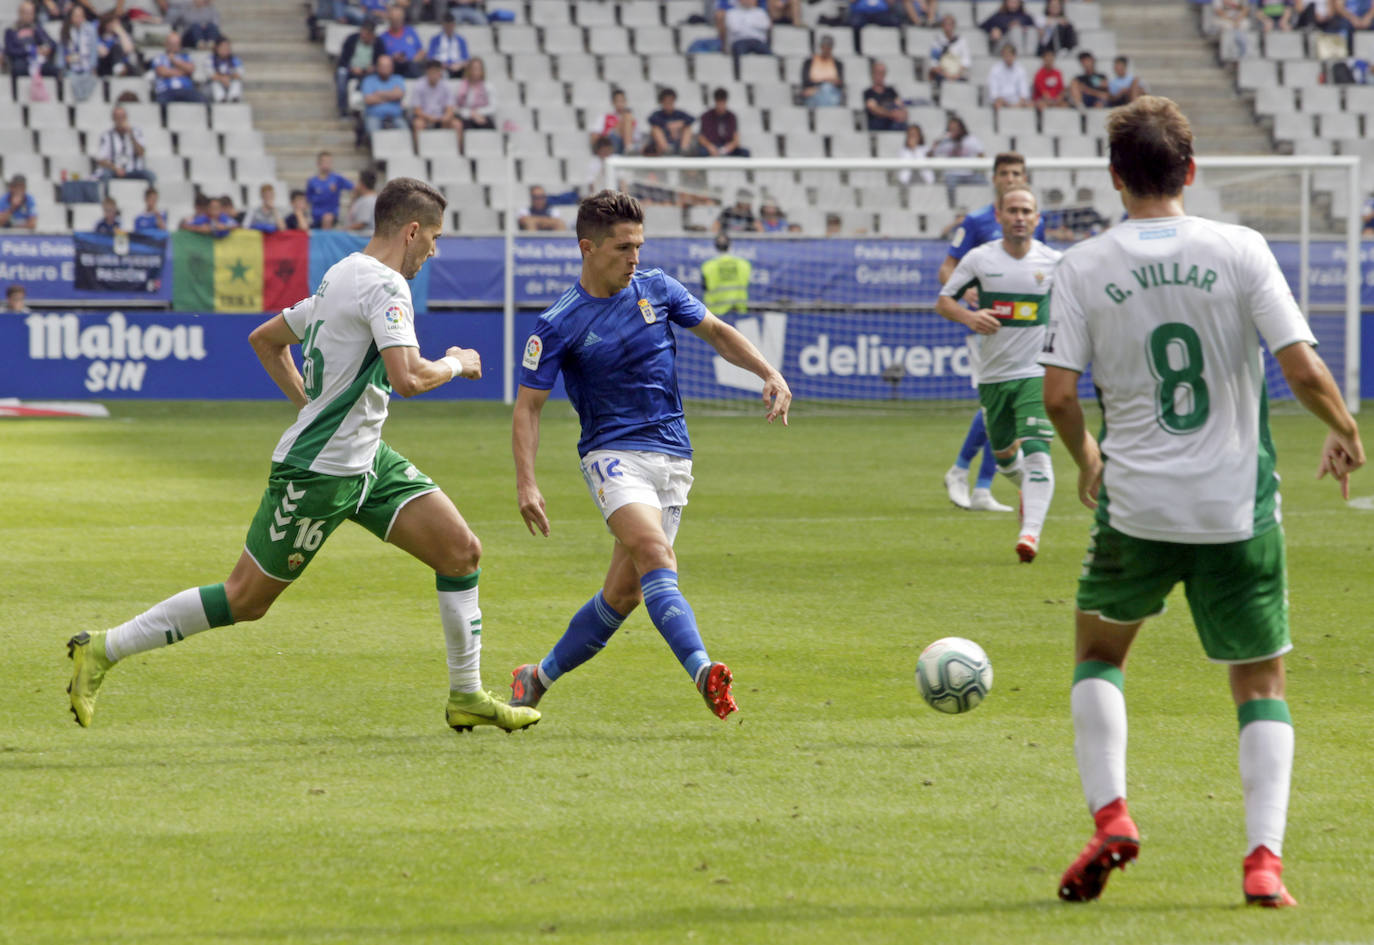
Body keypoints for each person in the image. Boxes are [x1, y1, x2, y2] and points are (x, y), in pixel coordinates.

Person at [66, 177, 541, 735]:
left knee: (461, 552)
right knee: (245, 598)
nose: (433, 249)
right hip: (319, 473)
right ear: (412, 231)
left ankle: (466, 696)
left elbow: (266, 338)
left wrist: (313, 406)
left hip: (365, 461)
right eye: (433, 237)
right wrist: (458, 362)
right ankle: (100, 649)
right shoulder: (386, 286)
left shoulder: (342, 273)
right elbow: (408, 378)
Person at [1040, 95, 1363, 909]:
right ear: (1190, 170)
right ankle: (1263, 863)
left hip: (1136, 505)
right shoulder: (1241, 248)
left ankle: (1112, 813)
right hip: (1236, 509)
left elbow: (1057, 395)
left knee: (1100, 654)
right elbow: (1303, 371)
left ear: (1115, 178)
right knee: (1261, 684)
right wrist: (1344, 427)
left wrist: (1086, 454)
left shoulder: (1081, 265)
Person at [506, 190, 792, 721]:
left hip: (674, 456)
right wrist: (527, 482)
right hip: (612, 455)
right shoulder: (558, 323)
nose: (634, 257)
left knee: (624, 595)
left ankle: (536, 677)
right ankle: (705, 671)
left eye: (638, 245)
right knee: (658, 557)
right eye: (622, 247)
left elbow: (716, 331)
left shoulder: (657, 288)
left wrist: (768, 372)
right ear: (588, 248)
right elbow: (528, 409)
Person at [935, 186, 1059, 561]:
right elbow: (944, 301)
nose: (1020, 217)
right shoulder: (979, 259)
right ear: (1000, 217)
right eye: (1013, 211)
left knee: (1037, 449)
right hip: (992, 377)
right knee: (1006, 458)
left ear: (1037, 219)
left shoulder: (1055, 262)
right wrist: (970, 317)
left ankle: (1030, 535)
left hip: (1036, 372)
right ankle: (1028, 492)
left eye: (1027, 211)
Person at [94, 104, 156, 184]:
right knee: (104, 175)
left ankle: (150, 196)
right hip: (114, 170)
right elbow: (100, 159)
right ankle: (106, 196)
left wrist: (131, 135)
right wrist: (115, 168)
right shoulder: (106, 136)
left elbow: (141, 153)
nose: (120, 120)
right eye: (117, 117)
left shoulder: (136, 132)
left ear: (126, 118)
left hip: (134, 170)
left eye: (122, 117)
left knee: (150, 175)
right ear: (113, 119)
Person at [335, 18, 384, 118]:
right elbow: (342, 59)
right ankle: (343, 108)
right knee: (341, 74)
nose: (363, 36)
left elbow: (381, 60)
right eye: (362, 33)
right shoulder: (352, 39)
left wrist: (374, 68)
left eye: (366, 34)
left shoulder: (379, 43)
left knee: (370, 80)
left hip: (368, 72)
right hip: (350, 70)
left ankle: (359, 109)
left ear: (372, 34)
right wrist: (351, 68)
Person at [410, 58, 460, 148]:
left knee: (457, 124)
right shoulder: (419, 85)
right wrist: (429, 118)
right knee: (418, 124)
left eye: (436, 72)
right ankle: (419, 152)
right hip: (424, 117)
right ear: (427, 72)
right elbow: (417, 110)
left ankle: (459, 152)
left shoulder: (446, 86)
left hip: (442, 118)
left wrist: (445, 117)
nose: (434, 75)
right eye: (431, 72)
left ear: (440, 72)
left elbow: (450, 108)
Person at [4, 1, 59, 80]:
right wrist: (30, 50)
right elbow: (10, 50)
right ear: (20, 13)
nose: (29, 16)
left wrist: (46, 48)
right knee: (16, 68)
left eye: (31, 13)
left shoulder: (37, 28)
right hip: (22, 61)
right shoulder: (11, 30)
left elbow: (52, 44)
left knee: (55, 69)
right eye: (26, 13)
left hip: (38, 61)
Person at [700, 231, 751, 314]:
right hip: (738, 310)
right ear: (730, 245)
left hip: (716, 313)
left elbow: (704, 287)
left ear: (715, 246)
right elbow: (746, 282)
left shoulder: (707, 266)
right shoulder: (744, 264)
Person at [59, 3, 100, 100]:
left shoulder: (90, 30)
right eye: (76, 16)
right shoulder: (66, 30)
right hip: (71, 68)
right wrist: (62, 64)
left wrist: (93, 66)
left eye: (81, 16)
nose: (78, 19)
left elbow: (93, 50)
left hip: (86, 67)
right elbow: (61, 52)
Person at [151, 31, 205, 104]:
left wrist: (174, 61)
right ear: (166, 44)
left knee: (203, 101)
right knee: (161, 103)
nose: (174, 46)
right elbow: (163, 72)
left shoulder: (186, 57)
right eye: (172, 44)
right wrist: (183, 72)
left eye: (176, 44)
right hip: (166, 90)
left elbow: (191, 69)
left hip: (186, 90)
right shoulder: (159, 58)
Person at [360, 53, 406, 138]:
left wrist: (379, 94)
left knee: (405, 132)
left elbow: (399, 95)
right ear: (377, 67)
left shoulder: (398, 79)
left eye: (387, 66)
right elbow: (368, 100)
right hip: (374, 116)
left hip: (395, 116)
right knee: (373, 133)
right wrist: (391, 96)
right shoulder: (368, 80)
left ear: (392, 67)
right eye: (382, 66)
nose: (385, 69)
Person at [452, 56, 496, 142]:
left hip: (483, 117)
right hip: (466, 117)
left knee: (485, 124)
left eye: (479, 68)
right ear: (468, 70)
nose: (476, 71)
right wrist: (471, 114)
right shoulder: (460, 86)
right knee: (464, 125)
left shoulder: (488, 86)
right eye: (474, 68)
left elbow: (493, 107)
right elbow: (455, 108)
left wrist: (478, 113)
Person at [306, 151, 354, 229]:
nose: (327, 164)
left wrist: (352, 205)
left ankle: (326, 239)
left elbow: (354, 188)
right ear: (318, 163)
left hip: (331, 215)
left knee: (327, 218)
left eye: (329, 162)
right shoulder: (312, 181)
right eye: (325, 161)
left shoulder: (337, 178)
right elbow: (307, 199)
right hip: (316, 215)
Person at [697, 86, 750, 157]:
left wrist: (731, 145)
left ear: (726, 102)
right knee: (701, 152)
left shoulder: (732, 116)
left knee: (745, 152)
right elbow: (701, 137)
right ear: (715, 102)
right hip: (712, 145)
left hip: (727, 146)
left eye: (723, 102)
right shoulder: (706, 116)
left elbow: (736, 137)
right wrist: (709, 146)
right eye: (719, 102)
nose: (720, 106)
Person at [646, 87, 695, 156]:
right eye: (666, 101)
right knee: (655, 129)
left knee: (688, 128)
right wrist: (669, 125)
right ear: (662, 102)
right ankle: (667, 150)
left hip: (678, 142)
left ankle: (684, 149)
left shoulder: (679, 113)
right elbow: (651, 120)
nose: (668, 104)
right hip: (662, 145)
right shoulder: (657, 114)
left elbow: (692, 119)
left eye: (671, 101)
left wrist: (679, 124)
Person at [379, 1, 424, 78]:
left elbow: (421, 51)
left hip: (412, 66)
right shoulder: (383, 37)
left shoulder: (411, 31)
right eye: (394, 19)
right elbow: (382, 58)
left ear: (403, 18)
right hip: (393, 68)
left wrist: (413, 60)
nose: (397, 21)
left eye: (399, 18)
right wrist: (393, 58)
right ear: (389, 19)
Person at [801, 33, 844, 107]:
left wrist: (821, 84)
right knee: (826, 93)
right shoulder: (809, 62)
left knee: (827, 89)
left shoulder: (837, 64)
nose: (826, 49)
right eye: (825, 46)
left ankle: (825, 112)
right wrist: (827, 80)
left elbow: (839, 83)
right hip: (813, 93)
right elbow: (806, 81)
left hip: (832, 92)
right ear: (821, 47)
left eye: (829, 46)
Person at [863, 60, 908, 131]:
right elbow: (874, 109)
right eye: (878, 72)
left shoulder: (891, 91)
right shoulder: (868, 93)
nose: (880, 75)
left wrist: (903, 114)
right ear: (873, 74)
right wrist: (891, 114)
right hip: (878, 124)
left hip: (893, 122)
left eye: (882, 73)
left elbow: (901, 106)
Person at [987, 41, 1031, 111]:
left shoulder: (1021, 70)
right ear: (1002, 55)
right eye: (1006, 56)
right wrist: (1003, 102)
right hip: (1001, 102)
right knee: (997, 104)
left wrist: (1017, 104)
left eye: (1010, 55)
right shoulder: (995, 70)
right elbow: (993, 93)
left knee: (1028, 105)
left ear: (1014, 56)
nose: (1008, 58)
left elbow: (1024, 93)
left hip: (1017, 102)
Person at [591, 88, 637, 155]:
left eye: (622, 101)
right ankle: (628, 148)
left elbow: (636, 138)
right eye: (617, 101)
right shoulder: (605, 117)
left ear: (625, 102)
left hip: (623, 144)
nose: (620, 104)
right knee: (627, 117)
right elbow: (594, 136)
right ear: (613, 102)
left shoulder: (632, 120)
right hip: (610, 143)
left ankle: (628, 148)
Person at [928, 14, 971, 84]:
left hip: (958, 75)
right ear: (942, 26)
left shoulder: (961, 41)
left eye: (950, 24)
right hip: (942, 75)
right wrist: (946, 75)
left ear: (954, 26)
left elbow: (966, 61)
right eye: (945, 24)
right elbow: (934, 63)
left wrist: (956, 75)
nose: (947, 27)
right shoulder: (936, 42)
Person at [95, 11, 139, 77]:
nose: (116, 25)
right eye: (114, 23)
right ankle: (118, 68)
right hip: (107, 65)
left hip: (124, 66)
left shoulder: (120, 37)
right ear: (107, 24)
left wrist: (121, 32)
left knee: (132, 64)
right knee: (115, 47)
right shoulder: (99, 38)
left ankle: (120, 69)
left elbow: (128, 49)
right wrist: (112, 45)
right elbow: (103, 53)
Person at [426, 11, 467, 78]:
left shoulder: (461, 40)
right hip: (441, 67)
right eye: (447, 26)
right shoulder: (435, 39)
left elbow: (466, 59)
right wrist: (442, 65)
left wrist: (459, 65)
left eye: (451, 25)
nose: (449, 28)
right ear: (443, 25)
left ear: (454, 25)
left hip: (458, 68)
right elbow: (430, 57)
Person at [207, 35, 242, 102]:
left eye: (227, 47)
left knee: (236, 82)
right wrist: (222, 78)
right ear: (217, 48)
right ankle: (221, 100)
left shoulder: (234, 60)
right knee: (215, 83)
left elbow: (239, 74)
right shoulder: (210, 59)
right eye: (223, 47)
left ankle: (234, 98)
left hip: (229, 84)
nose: (225, 49)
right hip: (212, 88)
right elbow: (211, 75)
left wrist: (228, 77)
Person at [346, 168, 379, 234]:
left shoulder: (368, 200)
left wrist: (343, 230)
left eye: (358, 182)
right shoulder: (363, 199)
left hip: (362, 240)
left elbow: (362, 223)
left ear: (362, 184)